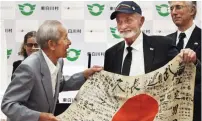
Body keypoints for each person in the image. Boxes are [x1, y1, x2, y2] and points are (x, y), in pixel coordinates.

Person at [1, 20, 102, 121]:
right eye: (65, 38)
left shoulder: (59, 61)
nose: (69, 42)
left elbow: (58, 84)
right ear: (52, 44)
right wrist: (39, 117)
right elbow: (8, 105)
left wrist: (83, 76)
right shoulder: (28, 68)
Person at [104, 1, 198, 76]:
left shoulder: (163, 45)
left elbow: (186, 74)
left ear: (141, 21)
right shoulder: (110, 54)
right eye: (119, 22)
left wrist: (193, 61)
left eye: (128, 20)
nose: (123, 26)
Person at [167, 1, 201, 121]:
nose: (173, 12)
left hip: (195, 112)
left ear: (192, 10)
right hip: (168, 112)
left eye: (178, 7)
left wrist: (196, 62)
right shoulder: (164, 42)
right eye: (171, 9)